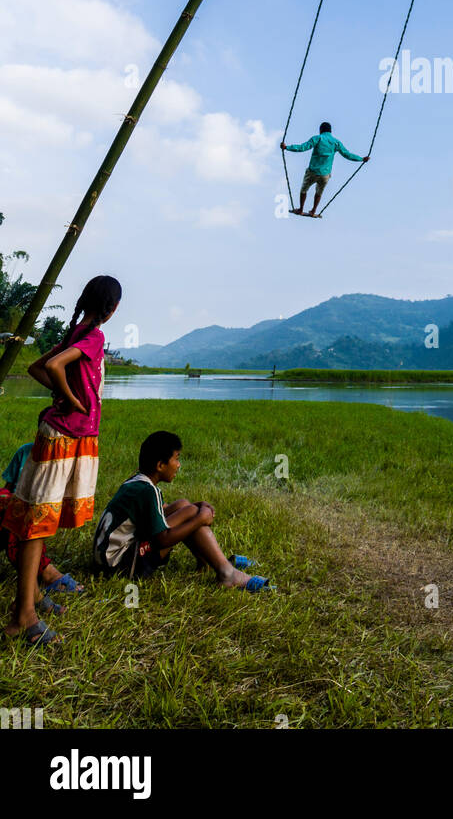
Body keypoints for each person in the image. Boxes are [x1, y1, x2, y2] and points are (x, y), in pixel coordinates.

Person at [2, 274, 122, 647]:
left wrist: (64, 396)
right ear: (113, 309)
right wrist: (71, 400)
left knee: (39, 521)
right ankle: (24, 616)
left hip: (64, 436)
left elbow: (39, 368)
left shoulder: (77, 333)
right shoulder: (94, 336)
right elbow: (51, 369)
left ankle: (32, 598)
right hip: (64, 435)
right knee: (36, 523)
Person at [93, 431, 272, 591]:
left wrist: (193, 507)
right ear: (160, 465)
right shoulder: (148, 491)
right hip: (121, 566)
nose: (179, 465)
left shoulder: (137, 482)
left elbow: (160, 512)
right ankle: (226, 572)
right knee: (190, 514)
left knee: (183, 506)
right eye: (176, 459)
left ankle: (209, 562)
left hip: (107, 560)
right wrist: (199, 518)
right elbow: (162, 539)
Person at [0, 442, 86, 607]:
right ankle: (44, 573)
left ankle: (39, 577)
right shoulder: (25, 452)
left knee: (15, 509)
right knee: (13, 509)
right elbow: (9, 487)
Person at [280, 121, 369, 217]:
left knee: (304, 189)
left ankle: (301, 209)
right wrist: (361, 159)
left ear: (320, 130)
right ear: (330, 131)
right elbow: (347, 154)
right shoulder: (336, 143)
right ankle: (313, 211)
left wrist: (287, 147)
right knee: (319, 192)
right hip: (325, 174)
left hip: (312, 172)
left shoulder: (318, 138)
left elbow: (302, 147)